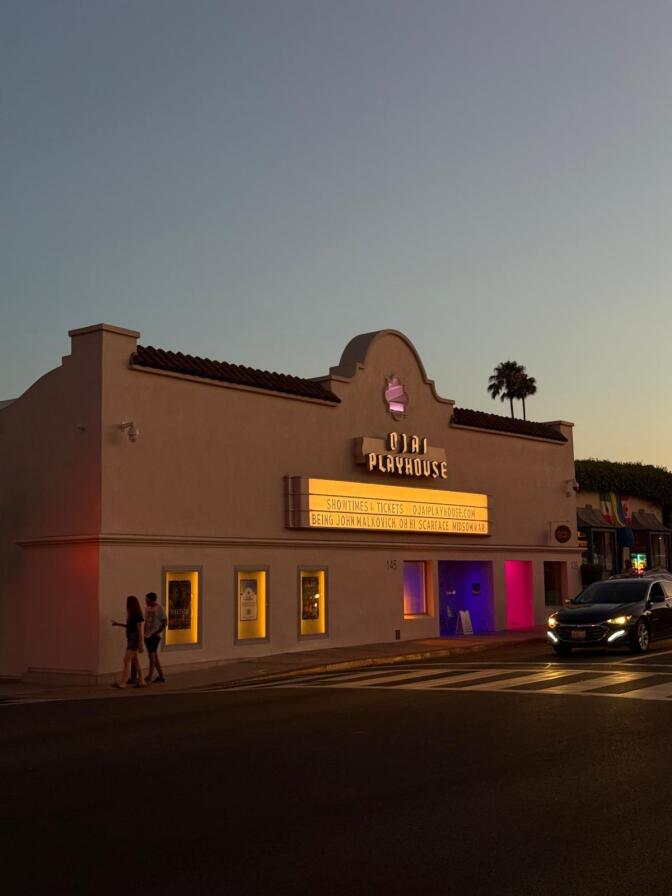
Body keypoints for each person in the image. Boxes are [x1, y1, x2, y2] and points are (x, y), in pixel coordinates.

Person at [111, 595, 146, 688]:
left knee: (126, 660)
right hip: (131, 638)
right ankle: (142, 681)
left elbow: (140, 630)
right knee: (135, 661)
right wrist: (118, 624)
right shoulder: (132, 614)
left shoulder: (137, 615)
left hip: (134, 639)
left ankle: (123, 682)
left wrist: (141, 643)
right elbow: (130, 626)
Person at [143, 591, 167, 683]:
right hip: (147, 635)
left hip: (154, 636)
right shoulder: (147, 608)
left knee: (151, 657)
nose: (146, 601)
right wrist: (144, 632)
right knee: (154, 656)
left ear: (151, 600)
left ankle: (149, 677)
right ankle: (161, 676)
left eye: (147, 600)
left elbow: (165, 622)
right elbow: (146, 621)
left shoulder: (160, 608)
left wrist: (157, 632)